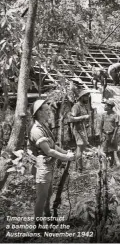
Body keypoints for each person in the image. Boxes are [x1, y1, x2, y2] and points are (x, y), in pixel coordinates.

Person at [28, 99, 75, 231]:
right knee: (41, 197)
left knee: (48, 195)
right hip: (42, 167)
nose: (49, 112)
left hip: (48, 166)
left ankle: (48, 218)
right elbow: (48, 150)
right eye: (46, 110)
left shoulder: (44, 127)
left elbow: (53, 146)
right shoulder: (36, 130)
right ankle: (38, 227)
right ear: (38, 113)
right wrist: (66, 157)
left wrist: (66, 152)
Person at [69, 89, 92, 172]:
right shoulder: (76, 106)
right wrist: (83, 117)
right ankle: (79, 168)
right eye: (86, 96)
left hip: (83, 129)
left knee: (81, 149)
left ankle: (78, 166)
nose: (87, 98)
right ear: (82, 97)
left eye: (88, 96)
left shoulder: (83, 106)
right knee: (79, 148)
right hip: (78, 129)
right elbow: (71, 118)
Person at [100, 100, 119, 167]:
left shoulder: (115, 115)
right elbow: (101, 125)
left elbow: (116, 127)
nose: (104, 107)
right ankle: (104, 165)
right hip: (105, 135)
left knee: (112, 150)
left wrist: (114, 136)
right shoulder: (103, 115)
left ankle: (110, 165)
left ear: (110, 107)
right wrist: (101, 135)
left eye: (106, 105)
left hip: (112, 134)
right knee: (104, 150)